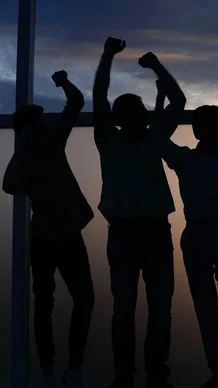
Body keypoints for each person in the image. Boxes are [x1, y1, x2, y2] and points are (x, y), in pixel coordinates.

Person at [92, 37, 186, 388]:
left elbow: (177, 101)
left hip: (147, 231)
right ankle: (131, 374)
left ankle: (149, 374)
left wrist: (155, 65)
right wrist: (109, 57)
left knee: (153, 308)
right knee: (131, 308)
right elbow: (100, 97)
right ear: (121, 118)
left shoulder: (150, 138)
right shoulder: (114, 140)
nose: (135, 117)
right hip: (132, 232)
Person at [157, 81, 218, 388]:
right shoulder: (189, 159)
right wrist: (160, 96)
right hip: (203, 232)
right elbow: (158, 138)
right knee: (208, 299)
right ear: (201, 132)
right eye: (215, 127)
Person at [3, 71, 95, 388]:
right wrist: (24, 152)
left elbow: (76, 103)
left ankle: (63, 369)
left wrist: (63, 83)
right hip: (52, 237)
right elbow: (9, 185)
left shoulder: (51, 143)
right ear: (29, 129)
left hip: (59, 235)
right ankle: (55, 369)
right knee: (50, 303)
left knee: (67, 301)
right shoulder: (36, 152)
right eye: (40, 122)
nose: (46, 124)